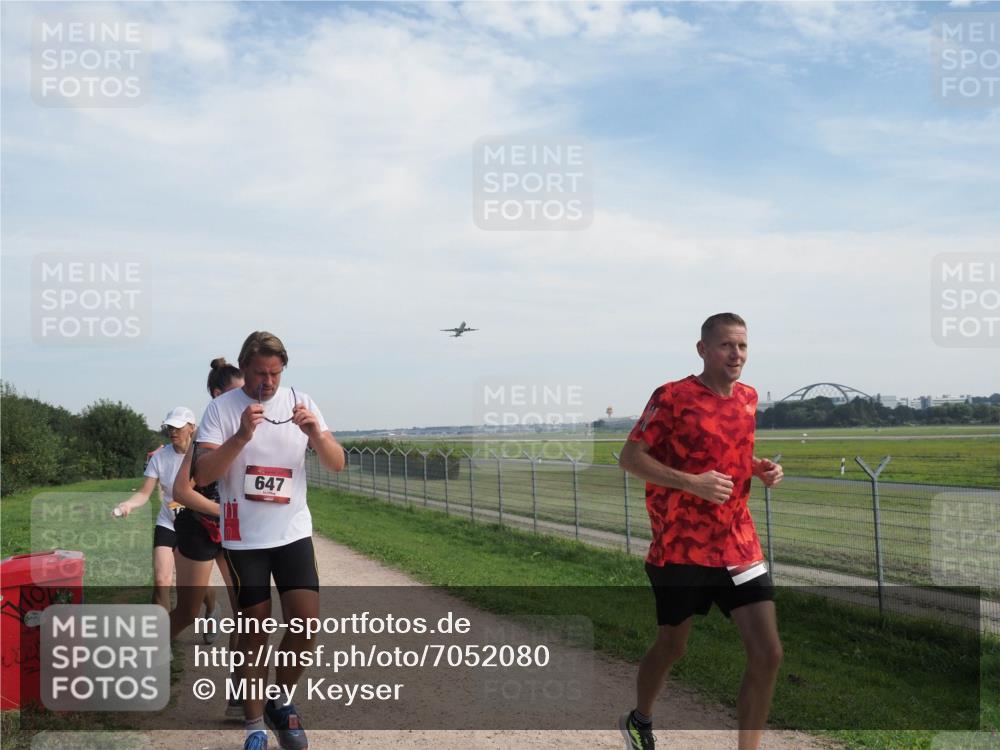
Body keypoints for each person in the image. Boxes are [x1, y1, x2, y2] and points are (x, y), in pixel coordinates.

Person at [617, 313, 784, 750]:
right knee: (673, 646)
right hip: (681, 546)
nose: (737, 354)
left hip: (738, 543)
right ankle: (640, 718)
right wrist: (691, 482)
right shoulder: (673, 396)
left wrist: (758, 469)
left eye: (743, 346)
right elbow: (630, 458)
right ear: (703, 349)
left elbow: (727, 456)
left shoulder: (748, 399)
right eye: (727, 345)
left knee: (768, 654)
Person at [194, 331, 345, 750]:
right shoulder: (221, 410)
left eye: (275, 373)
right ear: (244, 369)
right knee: (254, 631)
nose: (268, 382)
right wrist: (241, 436)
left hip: (292, 532)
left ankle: (281, 697)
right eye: (260, 373)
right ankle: (255, 724)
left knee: (305, 622)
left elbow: (337, 464)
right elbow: (203, 475)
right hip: (244, 540)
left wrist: (317, 435)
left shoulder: (301, 401)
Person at [170, 358, 246, 720]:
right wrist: (223, 512)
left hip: (235, 534)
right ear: (217, 396)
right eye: (235, 392)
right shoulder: (205, 439)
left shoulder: (247, 433)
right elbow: (181, 491)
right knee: (187, 611)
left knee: (248, 614)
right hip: (199, 526)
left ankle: (238, 697)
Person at [115, 407, 217, 620]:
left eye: (178, 427)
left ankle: (211, 610)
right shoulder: (160, 457)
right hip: (168, 522)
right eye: (170, 427)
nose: (173, 431)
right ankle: (164, 637)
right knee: (161, 580)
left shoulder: (205, 456)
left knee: (194, 586)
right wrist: (128, 505)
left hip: (194, 525)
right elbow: (144, 493)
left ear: (192, 429)